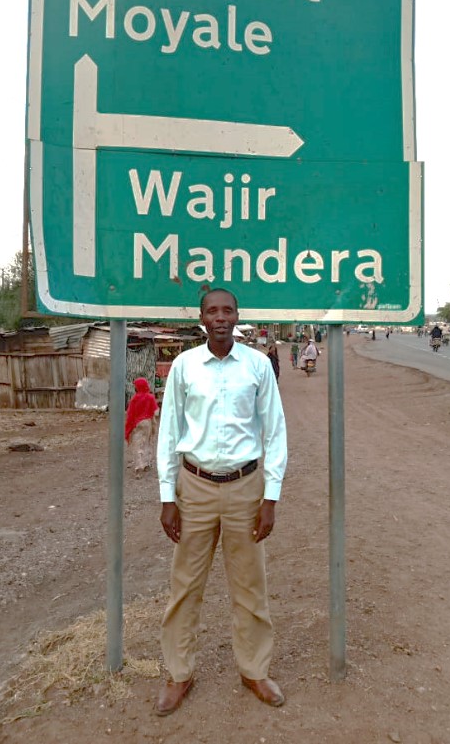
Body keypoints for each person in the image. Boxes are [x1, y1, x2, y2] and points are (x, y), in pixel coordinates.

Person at [155, 288, 288, 716]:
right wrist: (166, 496)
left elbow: (275, 431)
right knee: (185, 586)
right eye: (212, 311)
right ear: (201, 318)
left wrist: (270, 496)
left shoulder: (257, 366)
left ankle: (254, 670)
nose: (220, 317)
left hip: (245, 488)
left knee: (250, 585)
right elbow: (169, 432)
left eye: (227, 310)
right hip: (193, 488)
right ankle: (179, 674)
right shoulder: (185, 365)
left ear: (237, 316)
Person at [125, 377, 158, 475]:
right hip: (148, 423)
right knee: (147, 442)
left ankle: (139, 465)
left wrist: (129, 427)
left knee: (138, 443)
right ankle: (147, 463)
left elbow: (130, 413)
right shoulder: (150, 397)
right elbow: (155, 412)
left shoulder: (135, 399)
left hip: (137, 423)